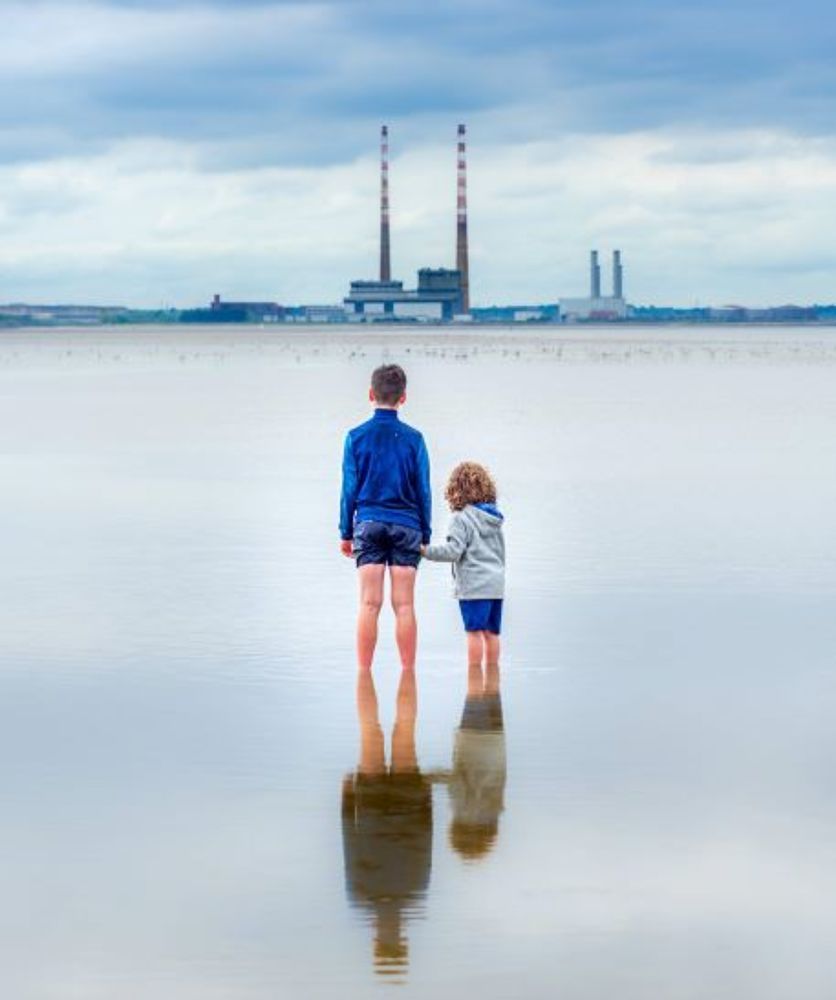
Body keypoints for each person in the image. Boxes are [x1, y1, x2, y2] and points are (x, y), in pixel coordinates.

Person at [339, 364, 431, 671]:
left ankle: (364, 674)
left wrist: (345, 532)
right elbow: (423, 490)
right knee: (404, 605)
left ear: (370, 394)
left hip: (368, 523)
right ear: (403, 398)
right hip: (407, 525)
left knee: (369, 603)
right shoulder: (415, 439)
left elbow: (349, 490)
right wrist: (426, 534)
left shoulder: (355, 437)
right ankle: (408, 675)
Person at [341, 667, 432, 977]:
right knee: (372, 729)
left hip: (408, 800)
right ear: (378, 941)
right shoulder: (361, 895)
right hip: (373, 802)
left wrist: (426, 797)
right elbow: (350, 843)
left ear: (400, 940)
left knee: (402, 728)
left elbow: (424, 840)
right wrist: (347, 800)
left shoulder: (415, 892)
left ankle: (366, 673)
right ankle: (399, 673)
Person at [421, 462, 505, 667]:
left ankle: (474, 675)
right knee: (492, 633)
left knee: (474, 633)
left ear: (455, 489)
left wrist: (424, 551)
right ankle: (492, 676)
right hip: (496, 585)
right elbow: (501, 554)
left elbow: (453, 551)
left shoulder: (461, 519)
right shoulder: (493, 519)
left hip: (474, 587)